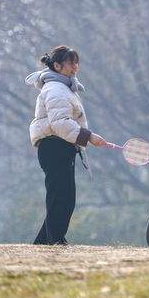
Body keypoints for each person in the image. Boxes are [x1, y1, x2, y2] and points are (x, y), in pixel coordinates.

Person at [26, 45, 107, 245]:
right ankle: (55, 240)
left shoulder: (63, 88)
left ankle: (44, 241)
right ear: (57, 66)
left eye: (77, 62)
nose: (76, 67)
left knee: (65, 197)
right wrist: (89, 136)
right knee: (60, 197)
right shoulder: (56, 89)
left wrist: (85, 138)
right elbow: (60, 123)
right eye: (71, 63)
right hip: (54, 147)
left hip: (61, 147)